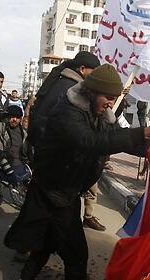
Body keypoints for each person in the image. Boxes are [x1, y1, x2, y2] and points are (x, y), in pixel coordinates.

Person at [4, 64, 150, 280]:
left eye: (115, 99)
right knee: (77, 254)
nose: (110, 104)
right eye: (108, 97)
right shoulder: (68, 112)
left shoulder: (95, 111)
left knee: (45, 242)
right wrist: (141, 132)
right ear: (92, 92)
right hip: (57, 192)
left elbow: (109, 138)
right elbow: (91, 142)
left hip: (58, 189)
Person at [28, 51, 108, 231]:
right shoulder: (71, 89)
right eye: (93, 72)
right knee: (50, 212)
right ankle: (30, 246)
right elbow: (75, 131)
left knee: (40, 208)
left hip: (47, 154)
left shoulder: (63, 82)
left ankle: (33, 246)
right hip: (55, 158)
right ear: (82, 69)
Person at [0, 104, 29, 183]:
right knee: (16, 179)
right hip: (4, 164)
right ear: (7, 117)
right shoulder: (1, 128)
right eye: (12, 117)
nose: (15, 119)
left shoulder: (23, 133)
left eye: (18, 118)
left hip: (20, 164)